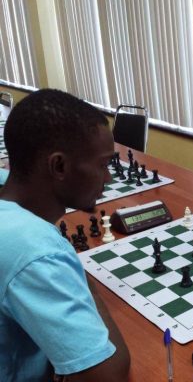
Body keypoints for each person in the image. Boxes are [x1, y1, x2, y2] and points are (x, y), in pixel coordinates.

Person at [0, 89, 130, 381]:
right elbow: (109, 377)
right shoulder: (37, 252)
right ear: (58, 166)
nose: (108, 178)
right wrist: (83, 283)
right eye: (103, 164)